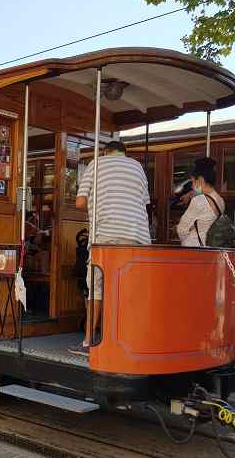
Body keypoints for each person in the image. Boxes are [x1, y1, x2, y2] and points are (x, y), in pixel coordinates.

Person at [73, 141, 151, 355]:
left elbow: (80, 202)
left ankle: (89, 341)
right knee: (127, 288)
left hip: (105, 234)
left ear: (105, 152)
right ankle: (127, 340)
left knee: (96, 287)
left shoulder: (96, 164)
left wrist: (99, 204)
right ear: (125, 153)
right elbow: (144, 203)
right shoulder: (137, 167)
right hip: (136, 236)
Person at [177, 157, 225, 247]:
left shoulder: (199, 201)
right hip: (210, 248)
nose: (192, 186)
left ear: (200, 180)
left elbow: (181, 230)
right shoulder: (220, 200)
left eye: (193, 181)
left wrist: (191, 229)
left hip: (194, 249)